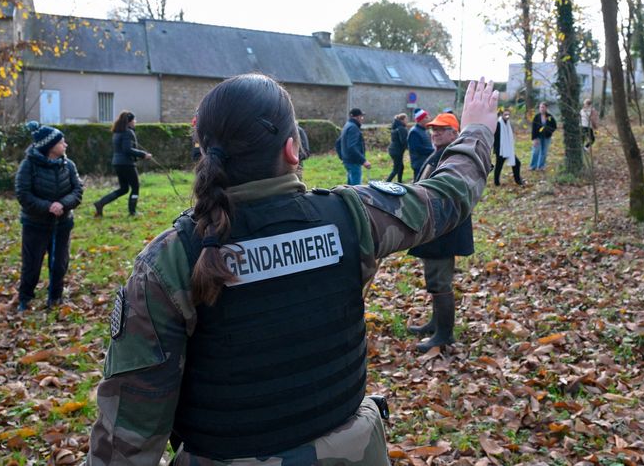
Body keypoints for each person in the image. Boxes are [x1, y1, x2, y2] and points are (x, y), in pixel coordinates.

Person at [84, 73, 498, 465]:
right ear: (291, 149)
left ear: (204, 148)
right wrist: (477, 130)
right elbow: (447, 197)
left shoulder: (170, 260)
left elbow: (128, 437)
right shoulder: (353, 218)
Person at [406, 112, 474, 353]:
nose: (435, 133)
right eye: (433, 129)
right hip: (433, 226)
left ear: (455, 133)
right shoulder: (439, 154)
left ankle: (444, 335)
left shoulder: (454, 157)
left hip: (444, 229)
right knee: (433, 277)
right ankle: (435, 323)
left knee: (440, 280)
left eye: (442, 129)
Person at [14, 122, 83, 312]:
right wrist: (48, 207)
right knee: (32, 264)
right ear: (50, 146)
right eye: (62, 142)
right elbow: (23, 194)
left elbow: (78, 190)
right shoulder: (28, 166)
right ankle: (25, 298)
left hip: (62, 224)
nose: (65, 145)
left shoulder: (68, 165)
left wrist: (63, 204)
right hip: (35, 224)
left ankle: (55, 297)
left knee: (59, 263)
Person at [93, 111, 152, 216]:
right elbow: (127, 150)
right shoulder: (128, 132)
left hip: (117, 163)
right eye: (134, 120)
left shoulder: (117, 132)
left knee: (124, 189)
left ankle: (100, 203)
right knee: (135, 187)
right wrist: (144, 155)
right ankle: (132, 212)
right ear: (129, 121)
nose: (135, 121)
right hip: (126, 164)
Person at [335, 108, 370, 185]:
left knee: (350, 188)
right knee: (356, 189)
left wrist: (343, 157)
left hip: (348, 161)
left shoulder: (347, 126)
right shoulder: (353, 128)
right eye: (361, 117)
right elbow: (352, 146)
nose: (362, 119)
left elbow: (337, 143)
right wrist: (363, 160)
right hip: (354, 161)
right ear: (357, 117)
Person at [493, 108, 525, 186]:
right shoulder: (498, 123)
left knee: (517, 163)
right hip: (500, 149)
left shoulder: (508, 123)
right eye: (505, 115)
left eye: (508, 115)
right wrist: (496, 149)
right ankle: (496, 182)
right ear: (501, 115)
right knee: (498, 166)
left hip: (508, 148)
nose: (507, 116)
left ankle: (518, 180)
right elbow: (494, 137)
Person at [529, 102, 557, 171]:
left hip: (546, 137)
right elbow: (533, 128)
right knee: (535, 151)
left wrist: (549, 132)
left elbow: (554, 126)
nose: (541, 108)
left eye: (543, 107)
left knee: (544, 152)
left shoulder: (549, 117)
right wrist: (534, 139)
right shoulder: (536, 117)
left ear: (546, 108)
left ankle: (541, 166)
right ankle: (533, 166)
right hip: (538, 137)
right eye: (540, 107)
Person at [408, 108, 433, 180]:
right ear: (421, 119)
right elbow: (418, 148)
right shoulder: (414, 132)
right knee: (418, 183)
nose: (429, 119)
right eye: (426, 117)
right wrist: (434, 151)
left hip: (425, 162)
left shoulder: (424, 130)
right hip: (419, 164)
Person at [386, 113, 409, 183]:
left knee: (401, 167)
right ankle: (386, 183)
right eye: (406, 119)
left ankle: (399, 182)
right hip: (397, 151)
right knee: (396, 169)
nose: (407, 121)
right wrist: (410, 148)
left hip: (393, 150)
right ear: (402, 120)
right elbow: (403, 141)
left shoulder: (396, 127)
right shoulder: (401, 128)